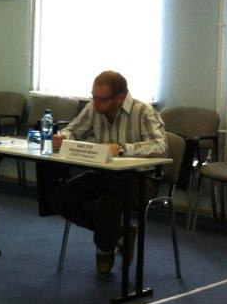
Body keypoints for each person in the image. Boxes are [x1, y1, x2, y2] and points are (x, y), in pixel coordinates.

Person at [49, 70, 168, 274]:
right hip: (104, 173)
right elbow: (72, 130)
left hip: (140, 179)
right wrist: (62, 137)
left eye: (101, 99)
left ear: (120, 97)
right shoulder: (93, 108)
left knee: (106, 209)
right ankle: (119, 234)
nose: (95, 103)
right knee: (59, 199)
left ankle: (105, 248)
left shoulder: (143, 111)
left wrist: (121, 149)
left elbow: (161, 147)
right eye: (93, 97)